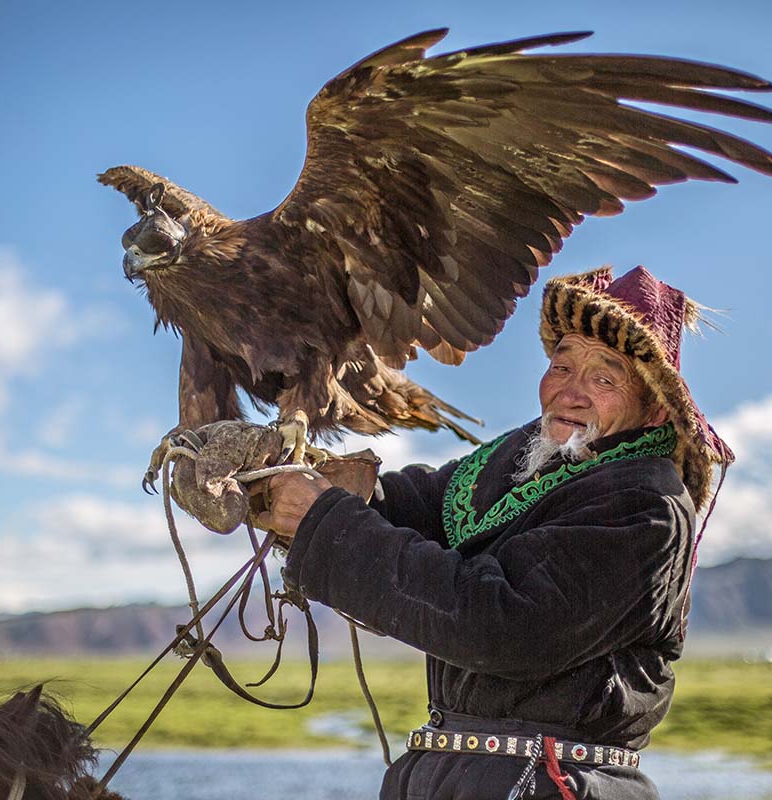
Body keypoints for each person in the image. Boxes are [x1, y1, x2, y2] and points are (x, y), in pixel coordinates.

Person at [259, 265, 734, 800]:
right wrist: (293, 479)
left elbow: (501, 625)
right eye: (561, 366)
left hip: (552, 783)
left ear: (656, 405)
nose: (570, 393)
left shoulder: (644, 505)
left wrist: (325, 520)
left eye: (604, 379)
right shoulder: (526, 462)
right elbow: (416, 507)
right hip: (461, 776)